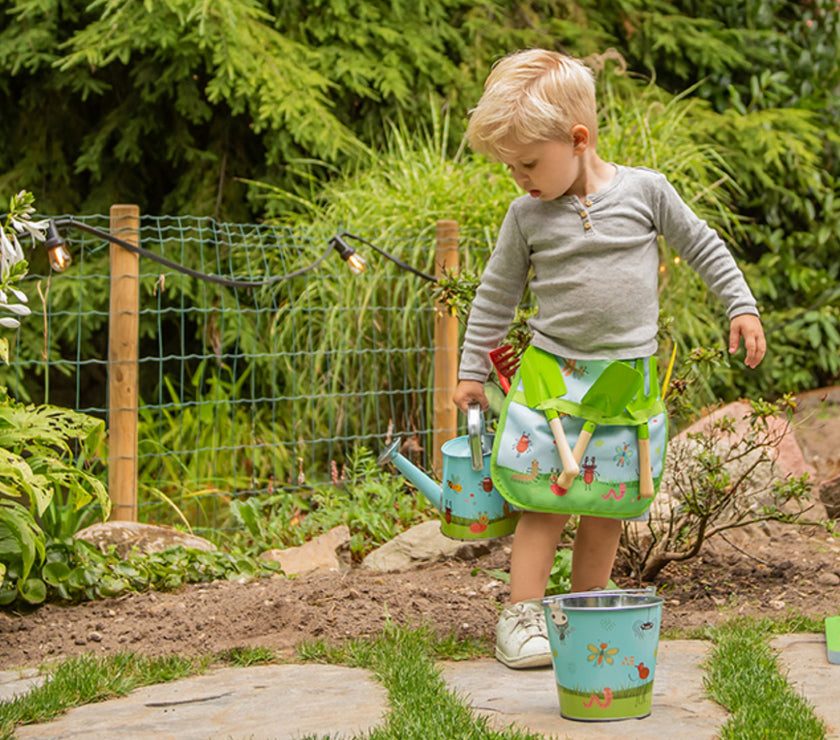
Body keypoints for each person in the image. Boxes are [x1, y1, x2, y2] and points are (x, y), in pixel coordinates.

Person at [452, 48, 766, 669]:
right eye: (511, 167)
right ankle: (521, 615)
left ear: (579, 138)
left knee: (606, 505)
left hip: (624, 384)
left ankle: (587, 608)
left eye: (529, 163)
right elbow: (495, 292)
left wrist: (741, 305)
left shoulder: (646, 192)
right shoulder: (526, 216)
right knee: (545, 499)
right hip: (552, 380)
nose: (520, 178)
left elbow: (702, 245)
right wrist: (470, 370)